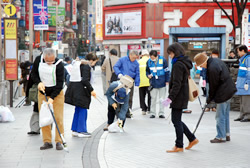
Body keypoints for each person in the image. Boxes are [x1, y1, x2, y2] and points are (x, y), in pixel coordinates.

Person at [162, 43, 198, 153]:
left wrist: (170, 98)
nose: (170, 56)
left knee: (176, 121)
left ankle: (179, 145)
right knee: (177, 120)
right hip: (182, 95)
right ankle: (192, 138)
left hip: (178, 96)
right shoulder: (184, 63)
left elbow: (176, 84)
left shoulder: (178, 65)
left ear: (175, 52)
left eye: (170, 53)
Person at [194, 52, 236, 143]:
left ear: (204, 62)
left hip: (223, 93)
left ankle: (220, 136)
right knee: (225, 114)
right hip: (229, 90)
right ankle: (227, 134)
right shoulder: (217, 60)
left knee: (220, 116)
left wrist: (209, 98)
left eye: (202, 66)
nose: (203, 68)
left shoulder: (212, 68)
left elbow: (213, 85)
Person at [31, 48, 65, 150]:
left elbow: (60, 83)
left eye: (52, 61)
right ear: (43, 57)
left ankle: (59, 141)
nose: (50, 63)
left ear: (55, 57)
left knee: (58, 118)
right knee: (44, 117)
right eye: (47, 61)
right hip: (43, 92)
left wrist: (52, 98)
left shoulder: (59, 64)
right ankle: (47, 141)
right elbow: (33, 74)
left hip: (57, 93)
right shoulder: (38, 60)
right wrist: (39, 83)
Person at [65, 53, 97, 138]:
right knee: (83, 109)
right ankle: (82, 130)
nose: (94, 64)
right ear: (91, 60)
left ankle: (75, 129)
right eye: (95, 62)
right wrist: (92, 90)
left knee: (78, 109)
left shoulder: (79, 65)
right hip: (82, 91)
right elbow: (85, 80)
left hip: (75, 89)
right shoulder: (86, 66)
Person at [113, 50, 140, 118]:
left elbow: (137, 74)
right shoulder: (122, 60)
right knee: (120, 96)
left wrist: (137, 84)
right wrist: (119, 73)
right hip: (122, 80)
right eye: (133, 58)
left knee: (129, 97)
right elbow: (115, 66)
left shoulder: (136, 63)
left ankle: (128, 111)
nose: (134, 59)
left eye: (135, 58)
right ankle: (119, 112)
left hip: (130, 82)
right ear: (130, 55)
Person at [146, 50, 169, 118]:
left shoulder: (163, 60)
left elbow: (167, 70)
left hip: (162, 81)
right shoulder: (149, 61)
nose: (152, 58)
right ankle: (152, 113)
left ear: (156, 56)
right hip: (153, 82)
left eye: (153, 57)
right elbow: (147, 71)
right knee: (153, 98)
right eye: (151, 57)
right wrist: (148, 75)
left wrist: (167, 80)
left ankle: (161, 113)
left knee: (162, 98)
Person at [234, 45, 250, 122]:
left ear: (243, 51)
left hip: (246, 84)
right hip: (242, 83)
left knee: (246, 100)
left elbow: (249, 72)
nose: (238, 53)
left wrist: (247, 82)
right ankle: (242, 115)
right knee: (242, 100)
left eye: (239, 51)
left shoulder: (248, 59)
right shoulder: (243, 60)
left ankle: (247, 115)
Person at [26, 62, 40, 135]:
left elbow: (30, 83)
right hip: (39, 93)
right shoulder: (34, 72)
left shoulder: (34, 71)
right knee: (38, 110)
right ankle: (36, 129)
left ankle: (35, 129)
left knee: (36, 111)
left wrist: (27, 94)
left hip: (39, 93)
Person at [139, 49, 151, 115]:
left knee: (142, 96)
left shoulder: (139, 62)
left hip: (141, 82)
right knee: (150, 96)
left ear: (142, 55)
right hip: (149, 82)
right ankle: (149, 109)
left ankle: (143, 109)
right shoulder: (150, 61)